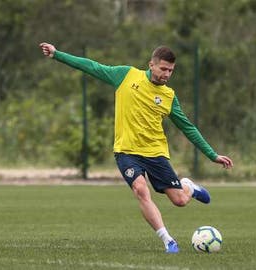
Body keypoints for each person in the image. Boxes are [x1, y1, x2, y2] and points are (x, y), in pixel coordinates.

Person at [39, 42, 233, 253]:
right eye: (163, 69)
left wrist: (212, 155)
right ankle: (168, 240)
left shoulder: (169, 97)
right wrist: (57, 55)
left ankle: (189, 187)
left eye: (171, 70)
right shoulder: (126, 75)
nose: (167, 74)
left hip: (156, 153)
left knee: (179, 200)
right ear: (151, 65)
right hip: (126, 151)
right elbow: (92, 67)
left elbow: (188, 128)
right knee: (141, 189)